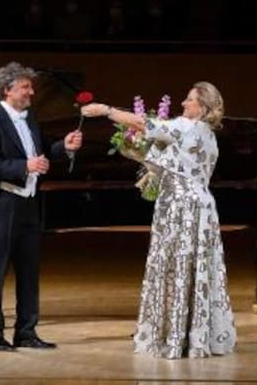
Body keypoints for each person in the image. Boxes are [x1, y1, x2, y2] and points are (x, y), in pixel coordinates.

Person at [81, 82, 237, 359]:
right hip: (201, 206)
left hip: (181, 208)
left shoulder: (186, 126)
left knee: (175, 269)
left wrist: (106, 110)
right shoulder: (208, 135)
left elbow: (143, 123)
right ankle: (195, 335)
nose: (183, 104)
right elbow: (175, 163)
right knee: (193, 271)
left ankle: (174, 337)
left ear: (202, 107)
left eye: (189, 100)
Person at [0, 62, 83, 351]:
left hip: (28, 205)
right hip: (2, 205)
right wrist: (26, 165)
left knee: (29, 271)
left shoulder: (29, 117)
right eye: (25, 87)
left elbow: (42, 148)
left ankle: (26, 332)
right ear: (8, 90)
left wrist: (64, 146)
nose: (31, 92)